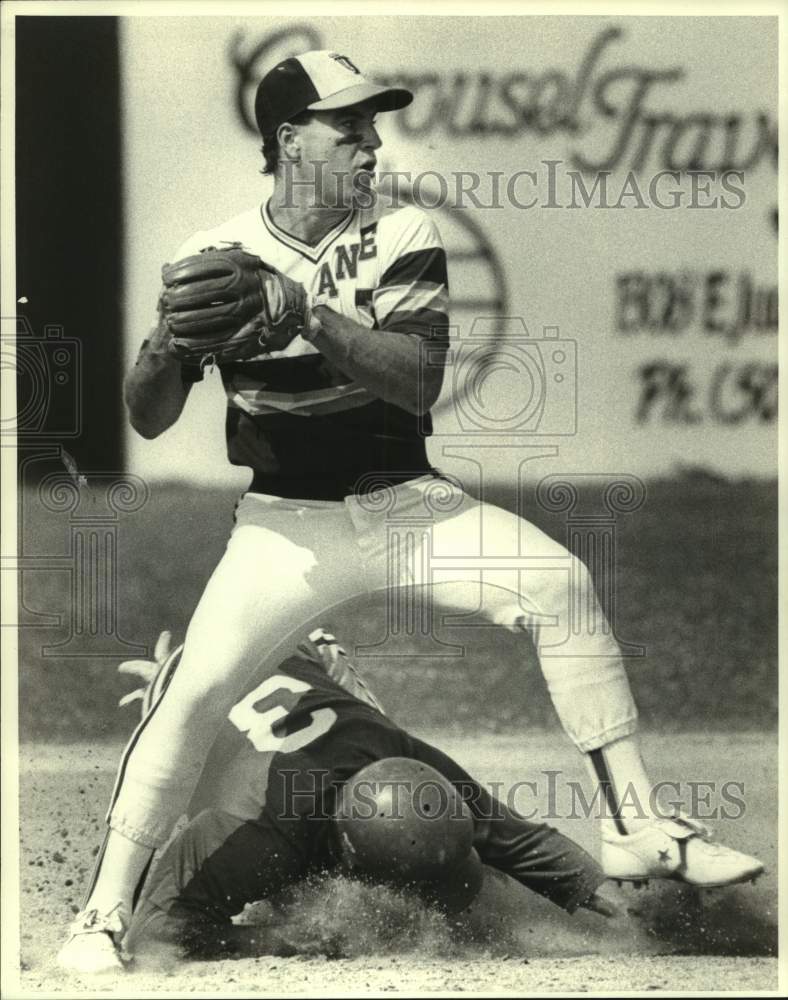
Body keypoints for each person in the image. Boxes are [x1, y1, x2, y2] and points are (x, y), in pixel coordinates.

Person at [58, 48, 763, 973]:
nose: (371, 143)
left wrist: (306, 314)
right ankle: (105, 915)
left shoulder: (403, 233)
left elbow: (418, 380)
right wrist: (162, 344)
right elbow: (149, 416)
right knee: (193, 694)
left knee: (560, 581)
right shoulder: (211, 258)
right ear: (287, 141)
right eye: (349, 128)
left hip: (407, 508)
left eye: (373, 125)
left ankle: (638, 823)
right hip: (284, 527)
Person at [120, 629, 616, 964]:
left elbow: (506, 833)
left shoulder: (402, 752)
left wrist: (601, 894)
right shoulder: (252, 833)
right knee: (292, 894)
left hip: (299, 651)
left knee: (450, 861)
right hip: (187, 692)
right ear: (348, 854)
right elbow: (158, 931)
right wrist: (281, 941)